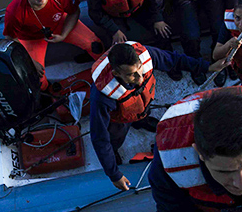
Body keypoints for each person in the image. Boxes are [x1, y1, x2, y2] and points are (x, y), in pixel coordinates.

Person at [90, 42, 226, 191]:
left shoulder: (146, 55)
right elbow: (99, 136)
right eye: (131, 75)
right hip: (119, 119)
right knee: (114, 139)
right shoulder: (103, 95)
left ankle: (141, 120)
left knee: (142, 108)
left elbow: (175, 59)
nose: (140, 78)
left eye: (140, 69)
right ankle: (115, 150)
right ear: (117, 74)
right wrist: (113, 174)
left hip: (140, 105)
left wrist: (207, 67)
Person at [3, 0, 103, 90]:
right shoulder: (14, 12)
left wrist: (64, 34)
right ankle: (49, 95)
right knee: (37, 77)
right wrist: (30, 61)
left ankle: (104, 71)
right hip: (31, 38)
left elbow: (74, 11)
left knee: (95, 45)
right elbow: (10, 37)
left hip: (60, 24)